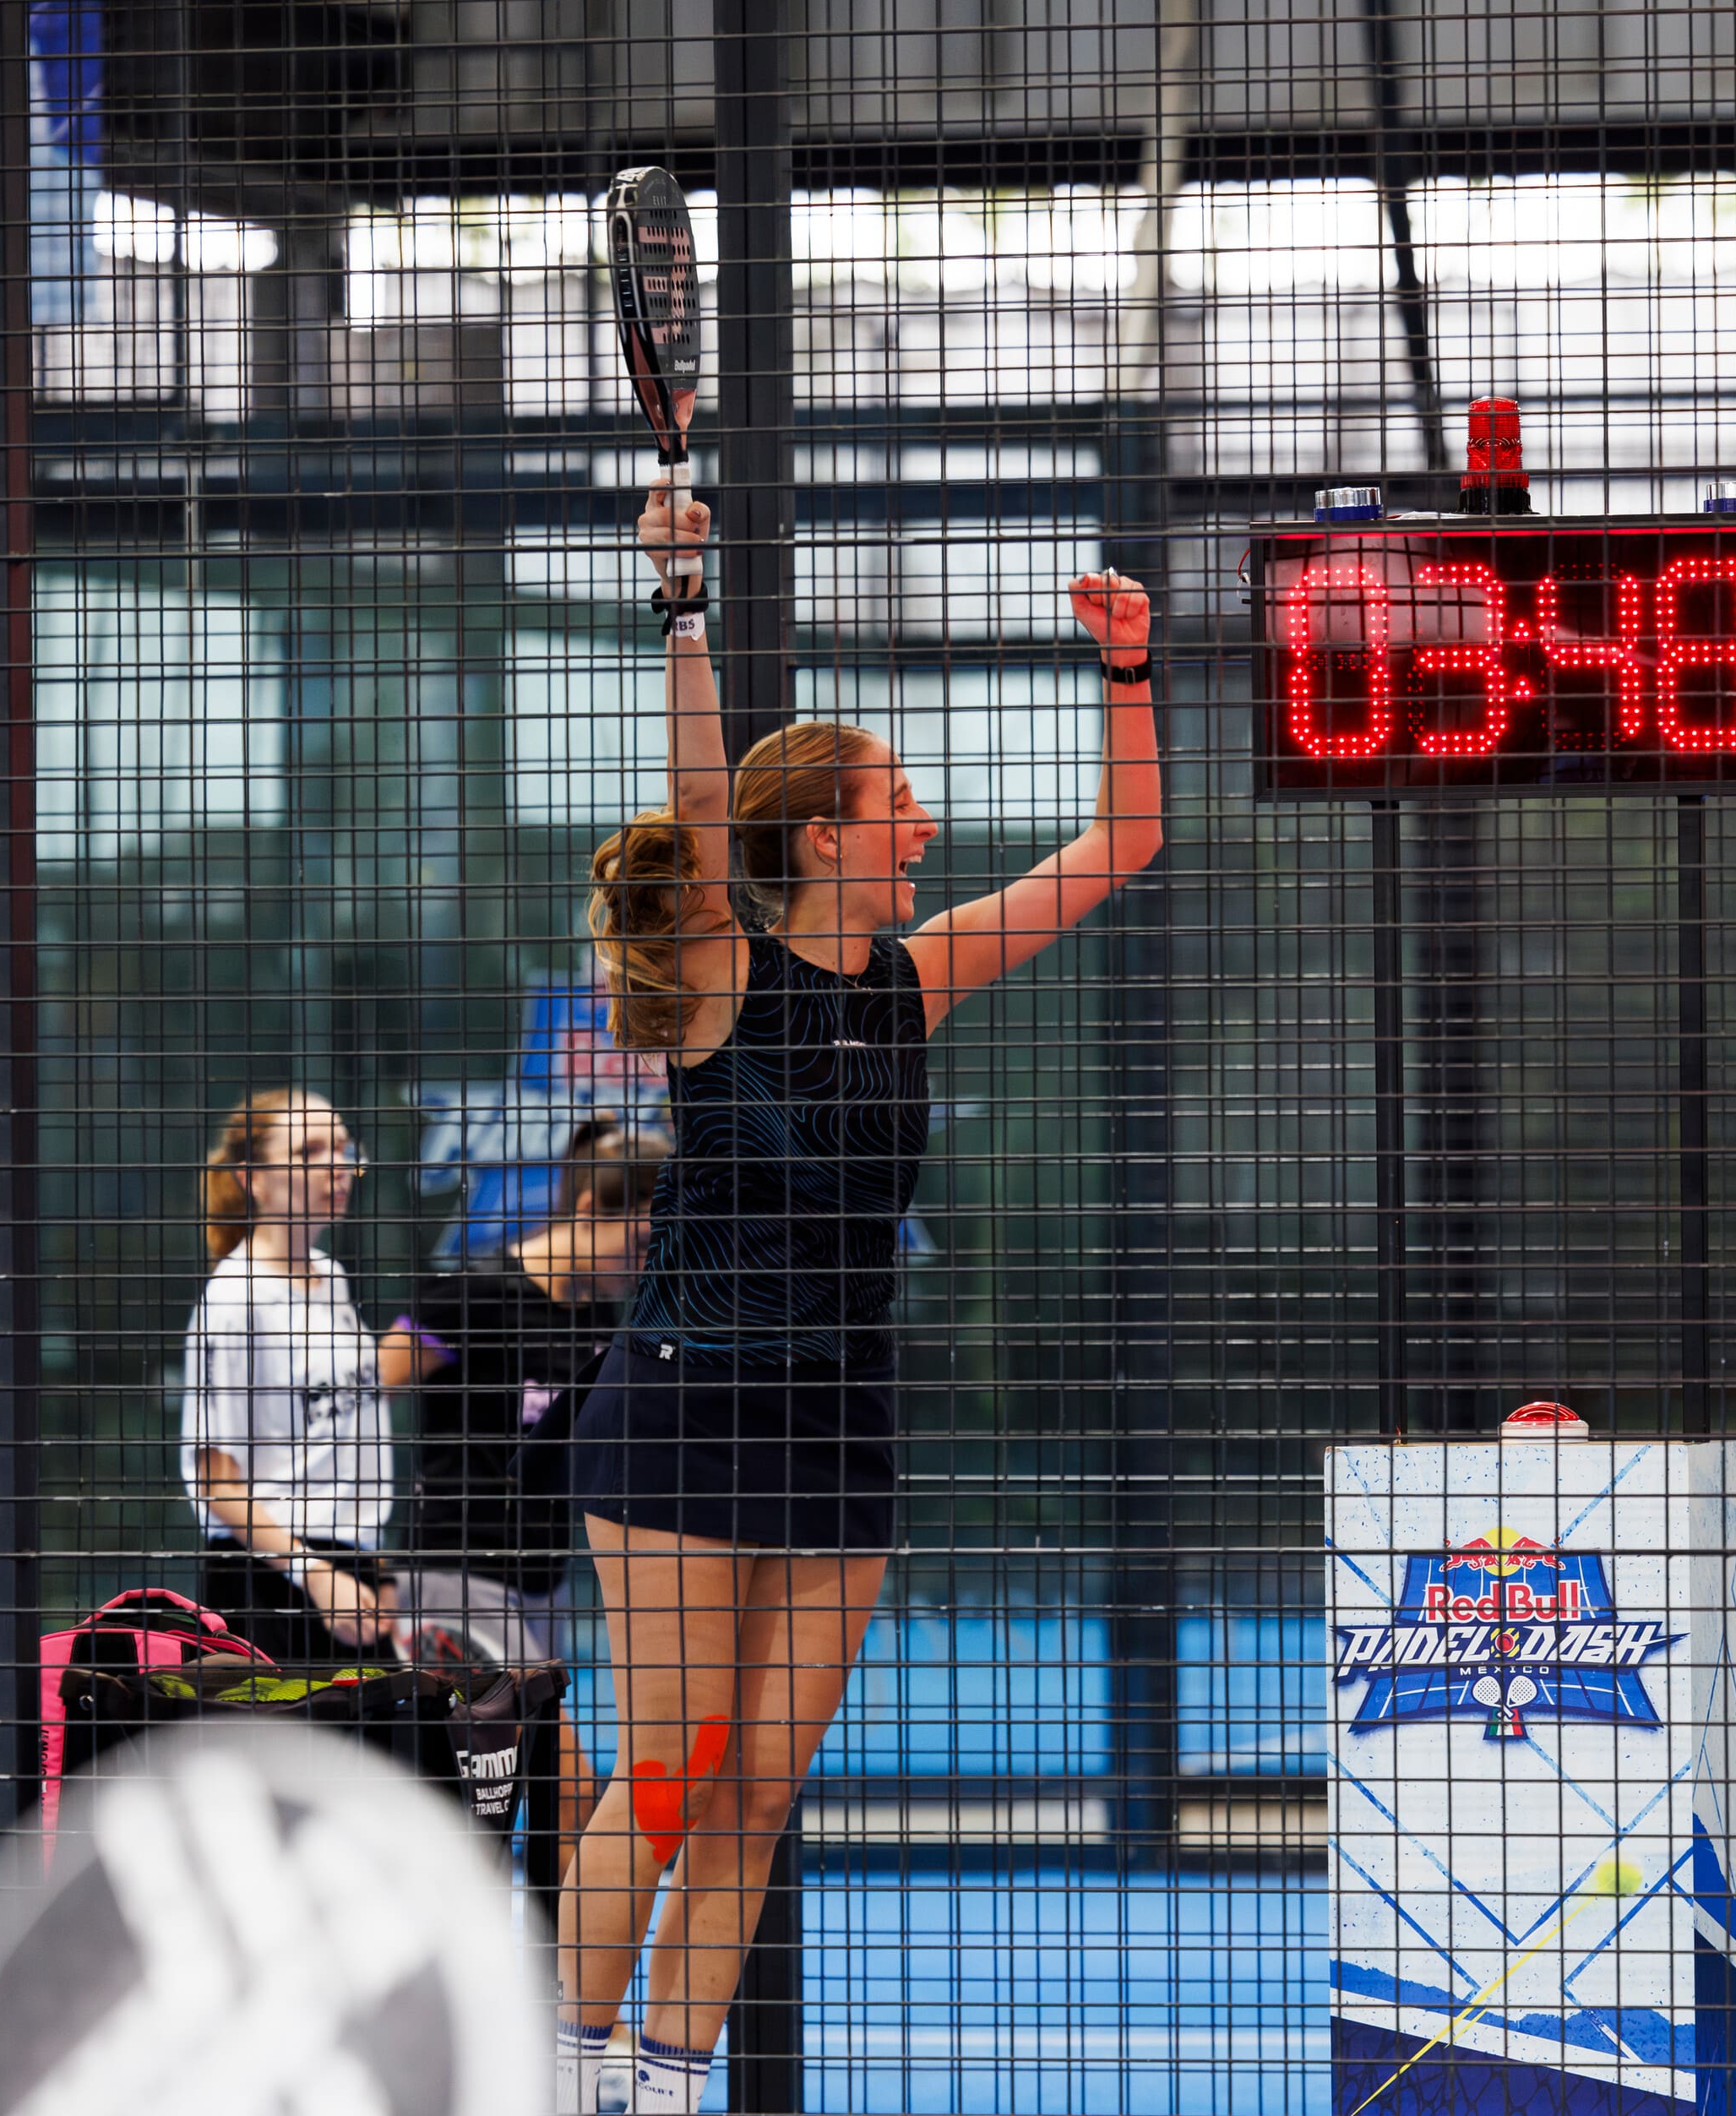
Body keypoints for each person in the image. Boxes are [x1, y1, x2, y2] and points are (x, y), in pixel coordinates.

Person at [549, 462, 1163, 2116]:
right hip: (682, 1412)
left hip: (839, 1425)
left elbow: (1125, 842)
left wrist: (1127, 667)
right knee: (667, 1771)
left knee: (758, 1789)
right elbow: (697, 807)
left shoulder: (922, 975)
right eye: (901, 801)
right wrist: (684, 603)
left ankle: (663, 2085)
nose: (927, 825)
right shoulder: (718, 976)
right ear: (825, 834)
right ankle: (559, 2073)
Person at [381, 1113, 672, 1862]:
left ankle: (541, 1941)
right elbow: (365, 1391)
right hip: (456, 1576)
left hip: (543, 1586)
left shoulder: (605, 1317)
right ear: (590, 1210)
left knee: (525, 1799)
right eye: (644, 1241)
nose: (650, 1263)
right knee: (564, 1787)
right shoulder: (472, 1294)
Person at [181, 1088, 400, 1667]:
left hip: (346, 1574)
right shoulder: (234, 1300)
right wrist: (312, 1573)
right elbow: (215, 1483)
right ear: (254, 1178)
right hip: (269, 1580)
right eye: (309, 1152)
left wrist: (376, 1568)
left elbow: (341, 1446)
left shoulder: (332, 1277)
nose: (337, 1166)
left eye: (343, 1148)